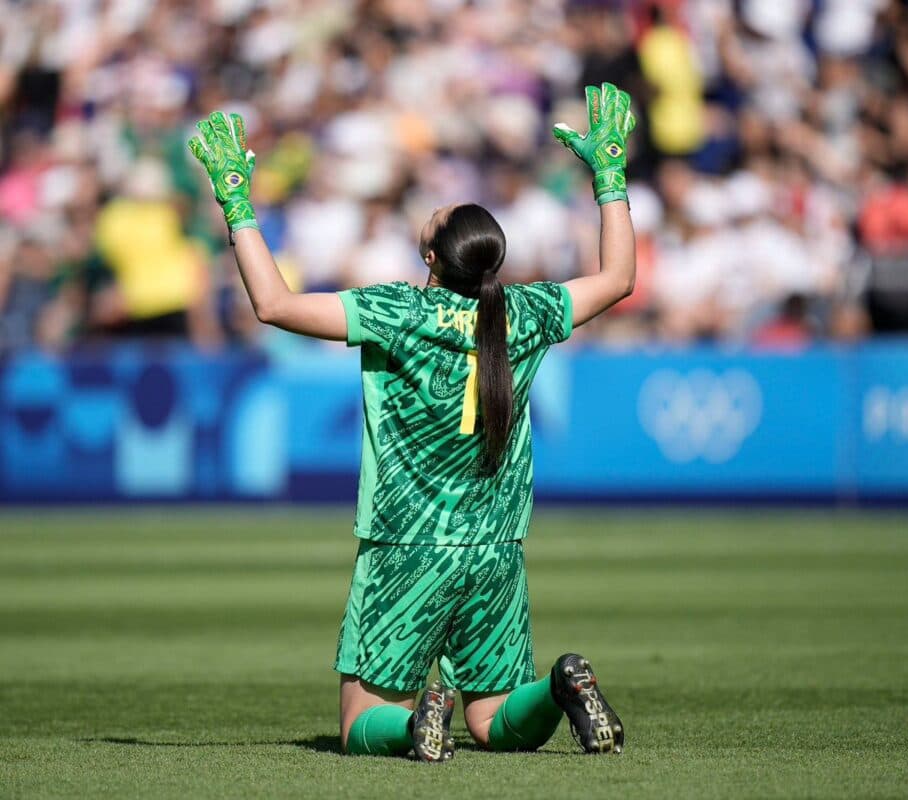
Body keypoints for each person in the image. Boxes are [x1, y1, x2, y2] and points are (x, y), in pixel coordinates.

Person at [187, 83, 637, 762]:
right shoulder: (521, 313)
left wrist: (236, 203)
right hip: (494, 550)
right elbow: (619, 278)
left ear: (432, 257)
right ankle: (557, 688)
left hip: (407, 547)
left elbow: (274, 305)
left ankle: (414, 726)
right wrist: (609, 175)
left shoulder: (398, 313)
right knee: (493, 722)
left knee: (359, 726)